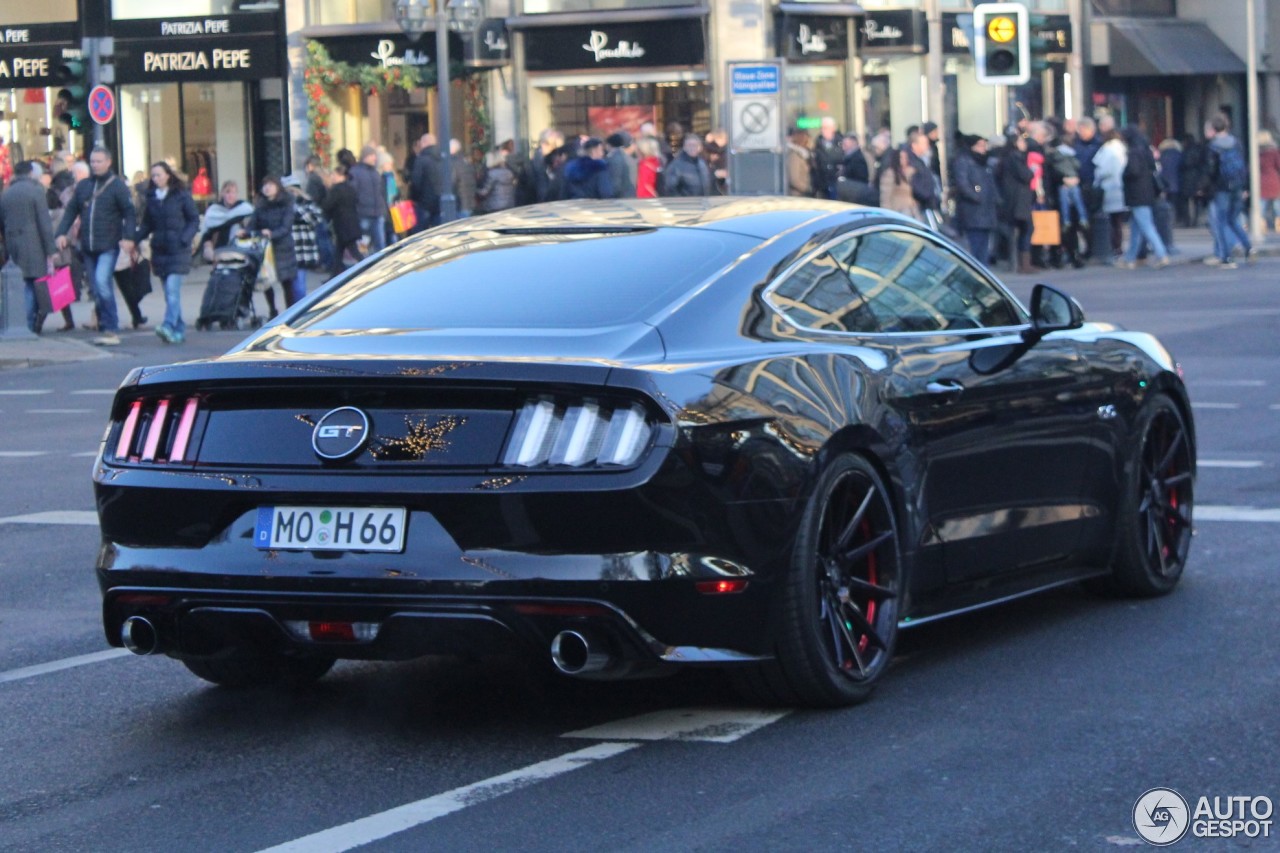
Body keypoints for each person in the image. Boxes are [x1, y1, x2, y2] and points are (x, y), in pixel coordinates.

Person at [54, 146, 136, 346]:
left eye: (99, 161)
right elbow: (72, 210)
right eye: (93, 161)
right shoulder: (84, 186)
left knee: (102, 283)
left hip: (108, 244)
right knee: (98, 289)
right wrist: (60, 234)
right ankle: (104, 323)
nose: (95, 165)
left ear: (108, 162)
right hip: (88, 246)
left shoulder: (117, 186)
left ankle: (111, 327)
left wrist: (129, 237)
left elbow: (129, 213)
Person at [134, 161, 199, 343]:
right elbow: (148, 224)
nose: (156, 179)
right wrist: (135, 238)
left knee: (172, 290)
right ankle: (178, 330)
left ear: (168, 175)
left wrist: (185, 239)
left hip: (178, 249)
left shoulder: (181, 195)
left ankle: (168, 325)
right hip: (160, 250)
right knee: (169, 293)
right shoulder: (152, 197)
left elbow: (193, 219)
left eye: (159, 175)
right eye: (153, 176)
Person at [0, 160, 58, 333]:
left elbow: (2, 222)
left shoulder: (7, 193)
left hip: (12, 243)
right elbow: (44, 222)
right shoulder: (36, 191)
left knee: (18, 282)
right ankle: (27, 324)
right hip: (34, 245)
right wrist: (51, 250)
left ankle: (18, 322)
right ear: (32, 173)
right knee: (33, 284)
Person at [1115, 127, 1169, 269]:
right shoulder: (1146, 150)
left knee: (1146, 226)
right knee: (1136, 228)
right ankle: (1130, 257)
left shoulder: (1133, 153)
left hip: (1136, 193)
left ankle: (1161, 254)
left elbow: (1133, 171)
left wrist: (1123, 174)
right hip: (1147, 192)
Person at [1203, 113, 1252, 267]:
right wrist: (1245, 186)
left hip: (1222, 187)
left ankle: (1226, 257)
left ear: (1213, 129)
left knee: (1221, 222)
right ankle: (1248, 248)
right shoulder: (1236, 143)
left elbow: (1211, 170)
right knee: (1233, 219)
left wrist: (1205, 187)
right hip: (1237, 185)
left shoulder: (1213, 146)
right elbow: (1243, 165)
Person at [246, 175, 296, 319]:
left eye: (270, 185)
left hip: (283, 247)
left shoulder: (286, 203)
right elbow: (252, 224)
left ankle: (291, 312)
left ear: (278, 187)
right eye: (265, 185)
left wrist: (272, 234)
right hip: (265, 248)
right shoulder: (261, 205)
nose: (267, 188)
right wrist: (247, 232)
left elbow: (286, 227)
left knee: (287, 282)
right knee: (266, 281)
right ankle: (272, 310)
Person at [950, 134, 998, 264]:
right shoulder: (964, 161)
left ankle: (983, 269)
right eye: (980, 145)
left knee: (984, 245)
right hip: (973, 209)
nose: (984, 149)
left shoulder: (985, 162)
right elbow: (963, 184)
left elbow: (990, 184)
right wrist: (976, 196)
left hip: (986, 209)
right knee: (974, 244)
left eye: (985, 145)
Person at [996, 133, 1035, 273]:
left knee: (1019, 230)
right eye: (1021, 141)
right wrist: (1032, 171)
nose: (1024, 144)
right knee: (1026, 229)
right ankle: (1023, 263)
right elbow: (1026, 175)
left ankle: (1020, 262)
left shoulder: (1008, 158)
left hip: (1014, 199)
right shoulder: (1015, 158)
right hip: (1018, 200)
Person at [1092, 122, 1128, 263]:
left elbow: (1103, 169)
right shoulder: (1123, 148)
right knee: (1118, 221)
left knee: (1111, 221)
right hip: (1122, 189)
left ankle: (1114, 247)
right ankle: (1118, 248)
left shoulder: (1108, 150)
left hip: (1110, 188)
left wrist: (1098, 177)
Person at [320, 165, 362, 278]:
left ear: (340, 176)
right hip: (351, 223)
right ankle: (333, 277)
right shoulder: (350, 188)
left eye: (333, 175)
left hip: (342, 225)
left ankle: (368, 267)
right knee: (338, 253)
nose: (332, 177)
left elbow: (327, 205)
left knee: (354, 252)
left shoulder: (336, 189)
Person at [201, 181, 255, 259]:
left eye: (233, 192)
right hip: (219, 248)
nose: (231, 195)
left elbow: (252, 226)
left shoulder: (244, 208)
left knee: (236, 226)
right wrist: (208, 248)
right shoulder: (214, 210)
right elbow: (207, 234)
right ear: (222, 194)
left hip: (240, 248)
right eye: (228, 192)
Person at [350, 145, 388, 251]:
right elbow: (353, 193)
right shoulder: (355, 172)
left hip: (378, 213)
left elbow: (382, 192)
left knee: (380, 244)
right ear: (365, 156)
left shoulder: (375, 172)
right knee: (364, 244)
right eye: (372, 155)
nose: (374, 158)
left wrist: (384, 210)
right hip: (364, 213)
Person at [409, 133, 442, 229]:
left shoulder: (421, 159)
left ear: (423, 143)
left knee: (420, 232)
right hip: (440, 202)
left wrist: (415, 198)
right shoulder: (443, 158)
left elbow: (416, 182)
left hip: (424, 203)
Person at [880, 146, 921, 221]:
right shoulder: (890, 173)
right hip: (897, 210)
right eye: (901, 157)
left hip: (911, 210)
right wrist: (887, 214)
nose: (904, 160)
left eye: (906, 157)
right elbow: (885, 196)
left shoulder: (909, 173)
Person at [812, 116, 843, 199]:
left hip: (837, 183)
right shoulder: (817, 144)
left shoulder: (841, 143)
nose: (822, 130)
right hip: (822, 184)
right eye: (821, 128)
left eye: (825, 128)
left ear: (833, 128)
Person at [1257, 129, 1280, 231]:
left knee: (1261, 207)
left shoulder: (1257, 154)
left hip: (1261, 182)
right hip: (1274, 181)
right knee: (1277, 207)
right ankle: (1278, 226)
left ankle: (1262, 226)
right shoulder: (1274, 152)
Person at [605, 132, 636, 198]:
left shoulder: (613, 159)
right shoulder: (630, 159)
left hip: (620, 198)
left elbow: (615, 183)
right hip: (631, 195)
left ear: (609, 145)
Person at [787, 129, 813, 197]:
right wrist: (808, 189)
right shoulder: (795, 156)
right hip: (797, 196)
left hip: (803, 194)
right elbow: (794, 179)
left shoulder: (805, 155)